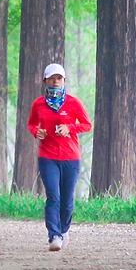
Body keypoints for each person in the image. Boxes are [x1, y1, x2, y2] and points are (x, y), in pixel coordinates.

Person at [26, 62, 92, 251]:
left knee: (67, 199)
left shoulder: (73, 103)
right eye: (52, 78)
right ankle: (54, 235)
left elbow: (87, 125)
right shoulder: (38, 104)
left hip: (71, 158)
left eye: (59, 78)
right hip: (47, 157)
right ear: (45, 80)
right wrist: (36, 131)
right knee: (53, 196)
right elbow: (32, 124)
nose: (55, 82)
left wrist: (69, 128)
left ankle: (64, 230)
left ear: (64, 81)